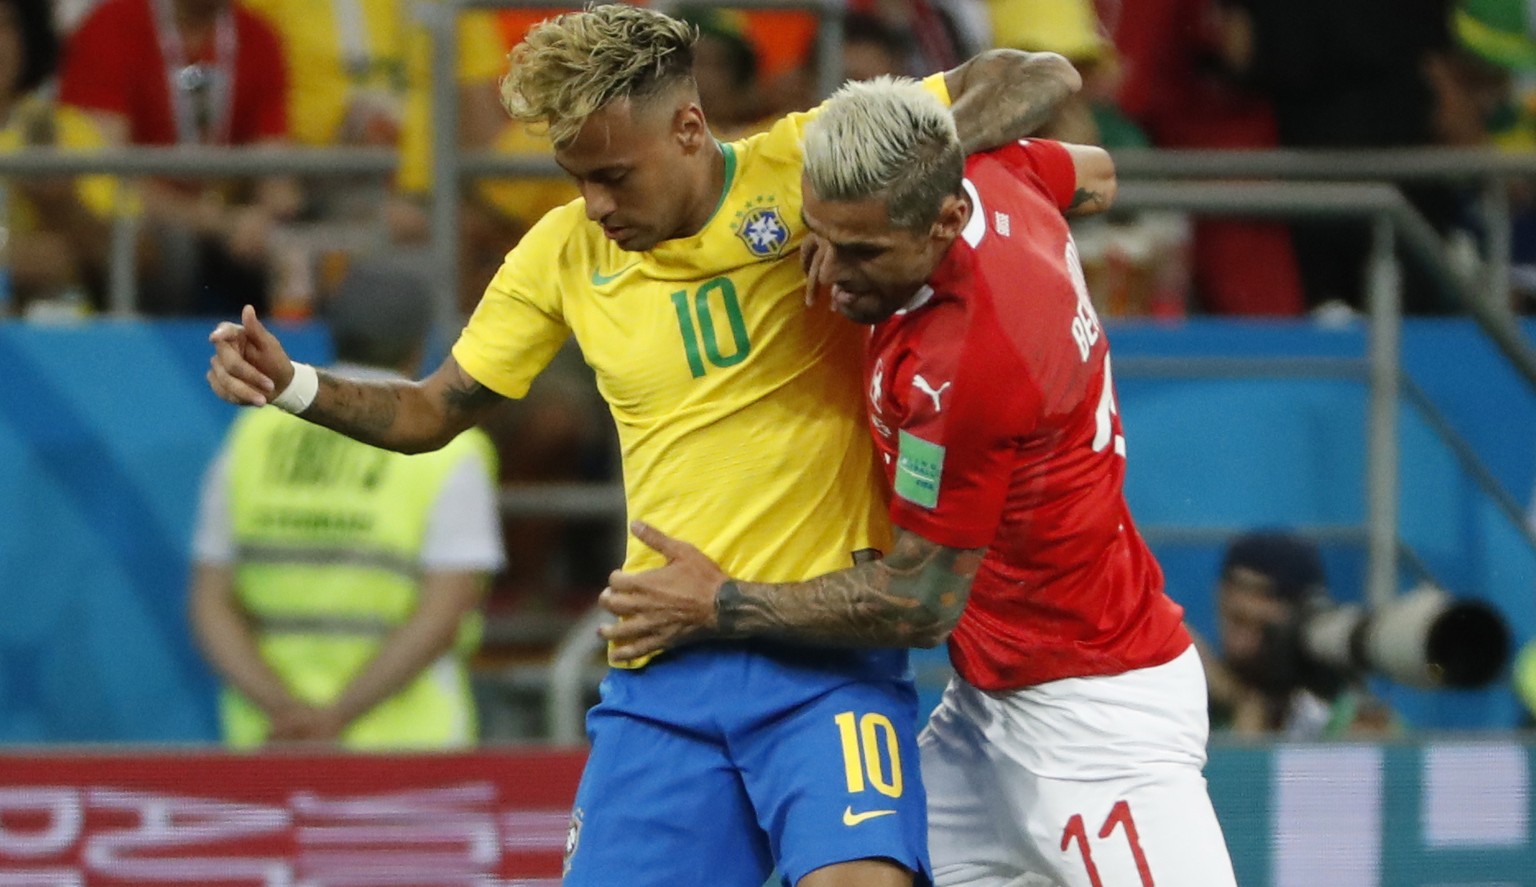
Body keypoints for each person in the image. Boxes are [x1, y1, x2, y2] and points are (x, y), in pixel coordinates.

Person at [203, 5, 1080, 886]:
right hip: (665, 675)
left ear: (690, 128)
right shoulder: (561, 253)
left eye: (615, 175)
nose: (596, 204)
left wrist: (869, 193)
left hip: (824, 664)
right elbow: (431, 412)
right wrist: (294, 385)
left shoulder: (801, 165)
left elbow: (1040, 76)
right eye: (576, 176)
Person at [599, 77, 1238, 886]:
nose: (830, 275)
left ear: (945, 220)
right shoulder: (991, 175)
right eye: (822, 234)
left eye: (862, 251)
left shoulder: (968, 359)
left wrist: (719, 605)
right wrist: (889, 193)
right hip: (984, 712)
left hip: (1095, 719)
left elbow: (919, 602)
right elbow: (1098, 172)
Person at [190, 258, 504, 747]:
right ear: (421, 344)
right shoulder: (451, 450)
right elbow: (445, 612)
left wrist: (285, 712)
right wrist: (335, 717)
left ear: (331, 332)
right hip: (409, 755)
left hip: (270, 747)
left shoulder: (256, 431)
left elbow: (210, 603)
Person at [59, 0, 302, 316]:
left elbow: (278, 181)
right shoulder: (110, 26)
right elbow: (107, 179)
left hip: (225, 219)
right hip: (147, 219)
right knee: (173, 250)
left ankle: (306, 359)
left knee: (291, 251)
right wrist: (216, 221)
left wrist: (265, 220)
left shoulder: (258, 36)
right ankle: (156, 360)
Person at [0, 0, 129, 316]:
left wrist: (63, 205)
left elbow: (137, 257)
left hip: (55, 338)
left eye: (5, 24)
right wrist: (9, 259)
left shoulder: (66, 131)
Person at [1203, 530, 1399, 739]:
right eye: (1235, 621)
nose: (1241, 645)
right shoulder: (1199, 704)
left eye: (1262, 628)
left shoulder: (1345, 718)